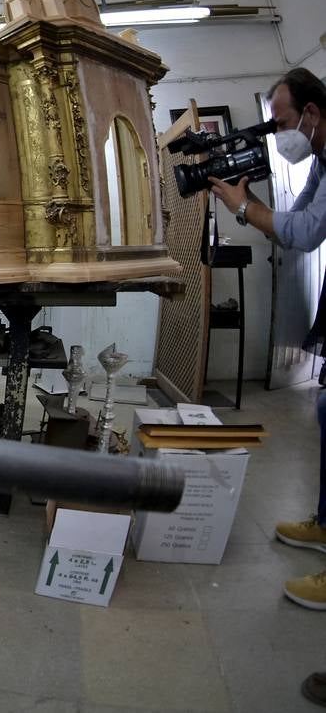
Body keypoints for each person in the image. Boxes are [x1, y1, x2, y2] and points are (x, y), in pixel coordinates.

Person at [208, 67, 326, 615]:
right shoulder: (322, 165)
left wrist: (239, 206)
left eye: (280, 121)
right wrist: (248, 199)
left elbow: (300, 235)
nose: (278, 132)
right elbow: (298, 218)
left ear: (312, 114)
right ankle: (324, 524)